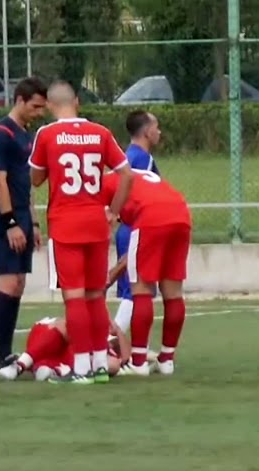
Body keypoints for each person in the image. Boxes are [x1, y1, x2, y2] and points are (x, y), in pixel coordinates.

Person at [29, 80, 133, 385]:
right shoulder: (100, 132)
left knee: (73, 299)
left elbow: (35, 179)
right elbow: (125, 175)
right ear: (77, 101)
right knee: (96, 298)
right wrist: (113, 211)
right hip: (96, 223)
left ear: (49, 105)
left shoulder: (46, 134)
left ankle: (82, 367)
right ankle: (101, 364)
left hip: (65, 224)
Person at [0, 77, 48, 374]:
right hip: (2, 218)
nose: (39, 112)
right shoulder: (0, 133)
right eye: (35, 106)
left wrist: (31, 221)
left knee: (18, 286)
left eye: (43, 107)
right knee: (6, 284)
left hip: (21, 215)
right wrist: (10, 223)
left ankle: (5, 352)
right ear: (19, 100)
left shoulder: (26, 135)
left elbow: (27, 182)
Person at [101, 166, 191, 376]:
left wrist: (107, 274)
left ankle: (139, 363)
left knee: (141, 289)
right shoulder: (134, 174)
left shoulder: (100, 186)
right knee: (173, 291)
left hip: (151, 216)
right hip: (181, 213)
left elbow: (105, 225)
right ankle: (166, 360)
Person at [113, 110, 163, 331]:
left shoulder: (126, 156)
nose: (159, 132)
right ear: (146, 131)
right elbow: (141, 195)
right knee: (137, 292)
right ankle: (112, 343)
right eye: (156, 127)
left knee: (132, 291)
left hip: (126, 228)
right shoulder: (142, 159)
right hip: (137, 228)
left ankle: (124, 346)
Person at [0, 316, 125, 381]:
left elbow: (122, 359)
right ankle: (20, 365)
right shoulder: (91, 322)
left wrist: (118, 331)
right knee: (65, 332)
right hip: (47, 335)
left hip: (64, 354)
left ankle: (50, 369)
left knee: (109, 364)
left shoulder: (108, 349)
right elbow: (62, 326)